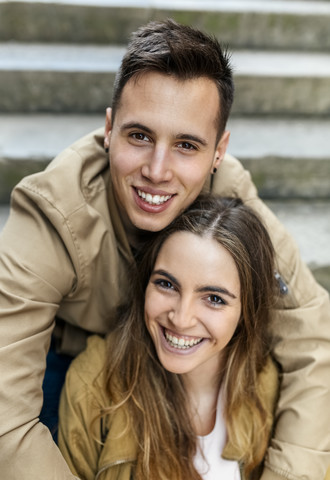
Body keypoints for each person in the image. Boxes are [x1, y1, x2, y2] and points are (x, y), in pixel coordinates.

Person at [0, 18, 328, 480]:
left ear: (219, 151)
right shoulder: (52, 214)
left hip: (185, 369)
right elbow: (6, 419)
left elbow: (315, 341)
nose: (157, 170)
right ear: (109, 128)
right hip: (72, 361)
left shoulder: (231, 197)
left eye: (187, 145)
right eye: (139, 136)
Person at [58, 195, 280, 480]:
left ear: (247, 310)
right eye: (166, 284)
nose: (181, 318)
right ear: (144, 283)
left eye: (213, 298)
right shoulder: (94, 382)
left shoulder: (267, 382)